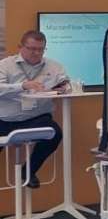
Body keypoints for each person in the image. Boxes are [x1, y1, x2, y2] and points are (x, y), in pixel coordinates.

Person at [0, 31, 71, 188]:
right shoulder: (5, 65)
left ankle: (28, 171)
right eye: (32, 49)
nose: (37, 53)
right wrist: (22, 86)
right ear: (20, 47)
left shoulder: (54, 66)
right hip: (5, 120)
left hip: (36, 118)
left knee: (55, 134)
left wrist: (63, 87)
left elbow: (66, 83)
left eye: (41, 49)